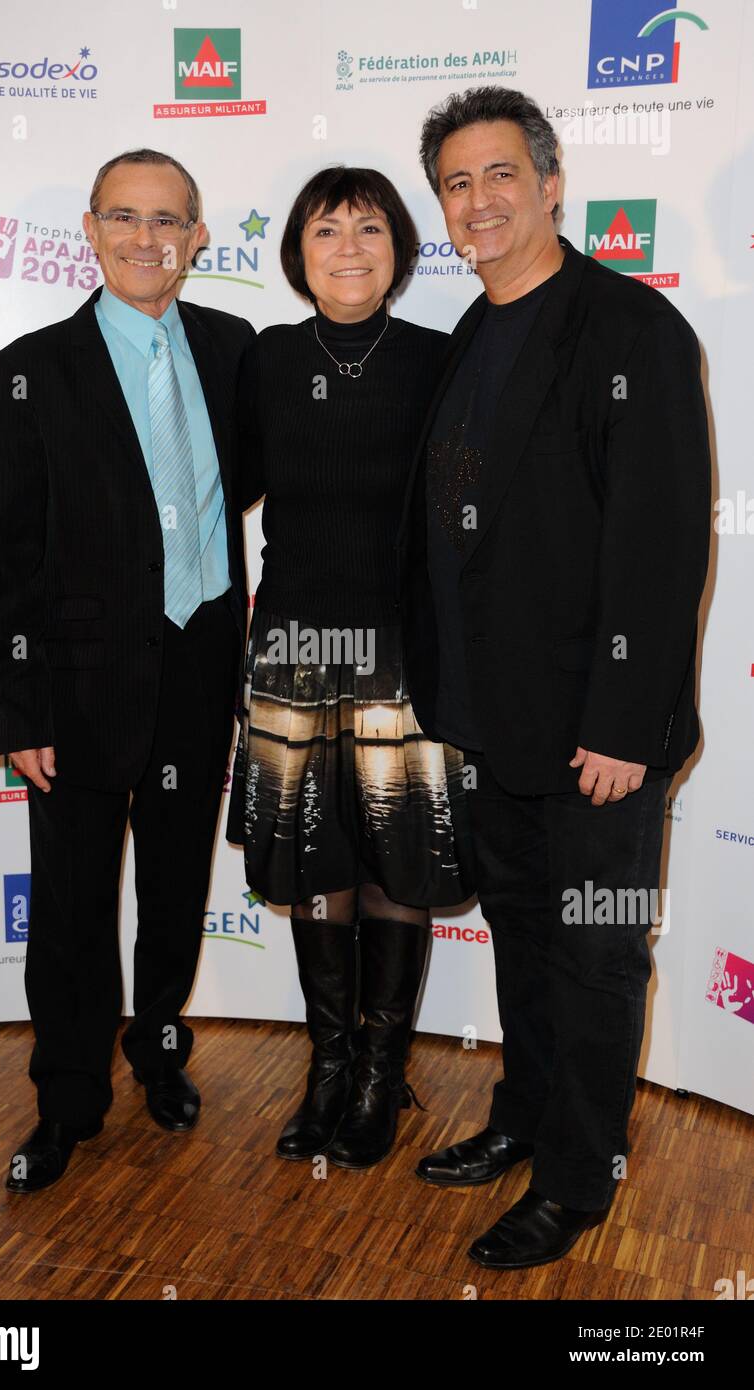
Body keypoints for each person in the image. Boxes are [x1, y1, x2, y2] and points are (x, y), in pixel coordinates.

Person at [399, 87, 711, 1267]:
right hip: (491, 720)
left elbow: (661, 539)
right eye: (454, 185)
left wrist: (625, 724)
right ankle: (521, 1120)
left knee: (592, 956)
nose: (475, 204)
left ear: (547, 183)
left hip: (598, 735)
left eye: (496, 177)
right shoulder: (472, 330)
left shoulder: (627, 328)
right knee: (526, 939)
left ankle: (578, 1178)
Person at [0, 148, 254, 1193]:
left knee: (176, 893)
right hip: (76, 687)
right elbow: (2, 561)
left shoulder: (234, 352)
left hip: (196, 668)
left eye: (168, 219)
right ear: (90, 230)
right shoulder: (30, 367)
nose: (147, 238)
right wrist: (20, 704)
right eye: (125, 218)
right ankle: (66, 1099)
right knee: (74, 905)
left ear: (197, 236)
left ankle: (159, 1052)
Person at [227, 166, 473, 1171]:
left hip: (399, 647)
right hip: (290, 643)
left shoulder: (436, 358)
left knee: (393, 862)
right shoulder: (266, 360)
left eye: (368, 228)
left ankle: (379, 1072)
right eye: (326, 230)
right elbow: (219, 488)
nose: (348, 248)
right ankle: (325, 1067)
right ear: (297, 252)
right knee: (314, 859)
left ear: (399, 248)